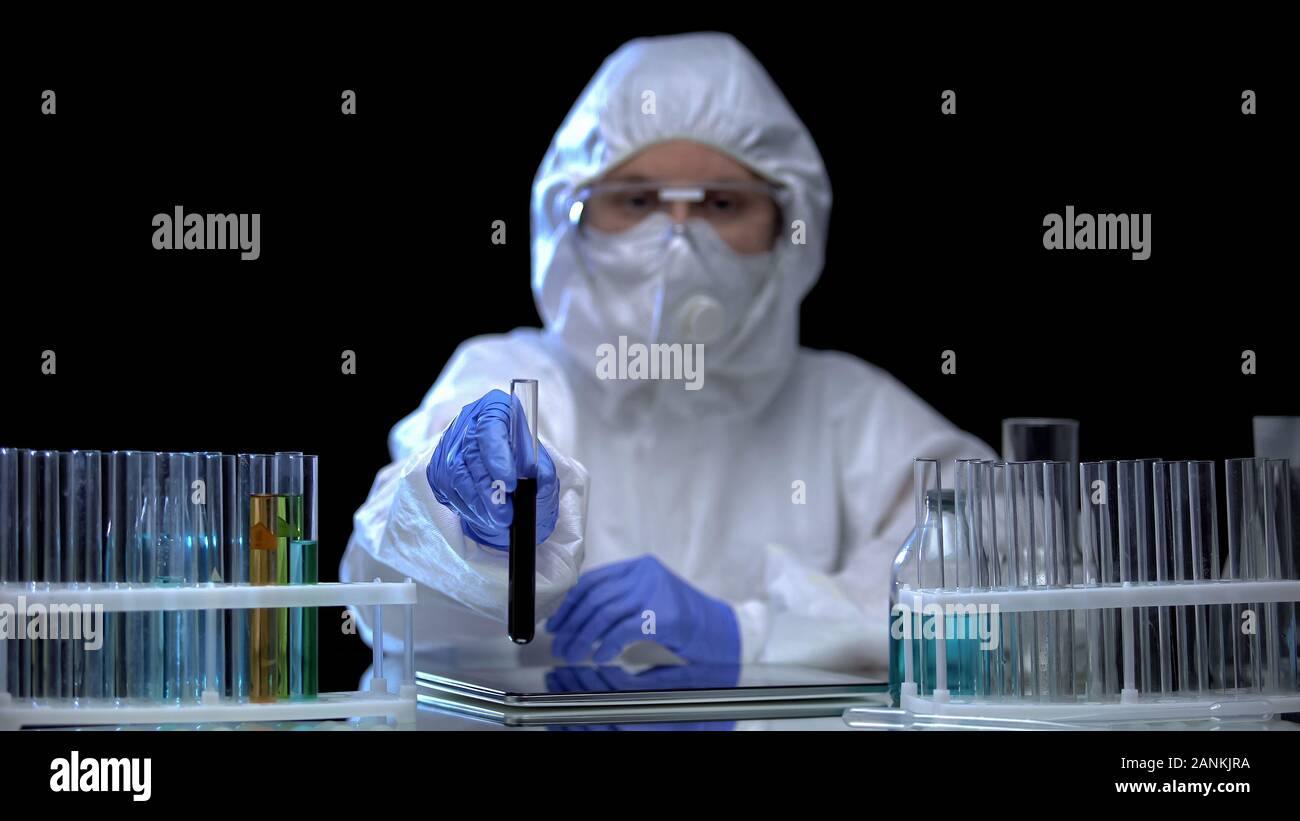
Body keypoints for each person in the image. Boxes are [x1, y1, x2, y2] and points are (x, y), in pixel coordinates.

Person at [341, 32, 994, 673]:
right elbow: (389, 601)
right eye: (636, 200)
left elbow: (998, 563)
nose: (680, 241)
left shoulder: (849, 410)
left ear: (786, 226)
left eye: (722, 203)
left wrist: (748, 635)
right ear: (570, 220)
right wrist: (460, 526)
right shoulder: (514, 382)